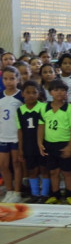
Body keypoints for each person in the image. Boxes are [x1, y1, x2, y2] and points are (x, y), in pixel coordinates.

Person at [38, 79, 71, 205]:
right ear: (50, 92)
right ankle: (55, 194)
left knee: (67, 172)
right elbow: (41, 126)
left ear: (67, 93)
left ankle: (69, 193)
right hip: (49, 144)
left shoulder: (69, 108)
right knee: (53, 171)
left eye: (62, 90)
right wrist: (40, 143)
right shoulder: (45, 108)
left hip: (64, 144)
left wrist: (70, 146)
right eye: (56, 90)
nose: (59, 93)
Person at [17, 81, 49, 202]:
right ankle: (35, 194)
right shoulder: (20, 110)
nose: (31, 95)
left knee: (44, 169)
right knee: (32, 170)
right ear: (23, 93)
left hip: (43, 144)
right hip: (28, 145)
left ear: (39, 93)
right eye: (28, 92)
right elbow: (20, 130)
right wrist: (20, 148)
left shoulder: (44, 107)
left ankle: (45, 194)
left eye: (34, 92)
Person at [0, 67, 24, 202]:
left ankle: (17, 192)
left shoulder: (21, 96)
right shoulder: (0, 95)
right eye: (5, 79)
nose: (8, 82)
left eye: (12, 79)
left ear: (18, 79)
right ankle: (9, 190)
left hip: (16, 136)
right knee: (3, 165)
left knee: (16, 164)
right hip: (3, 136)